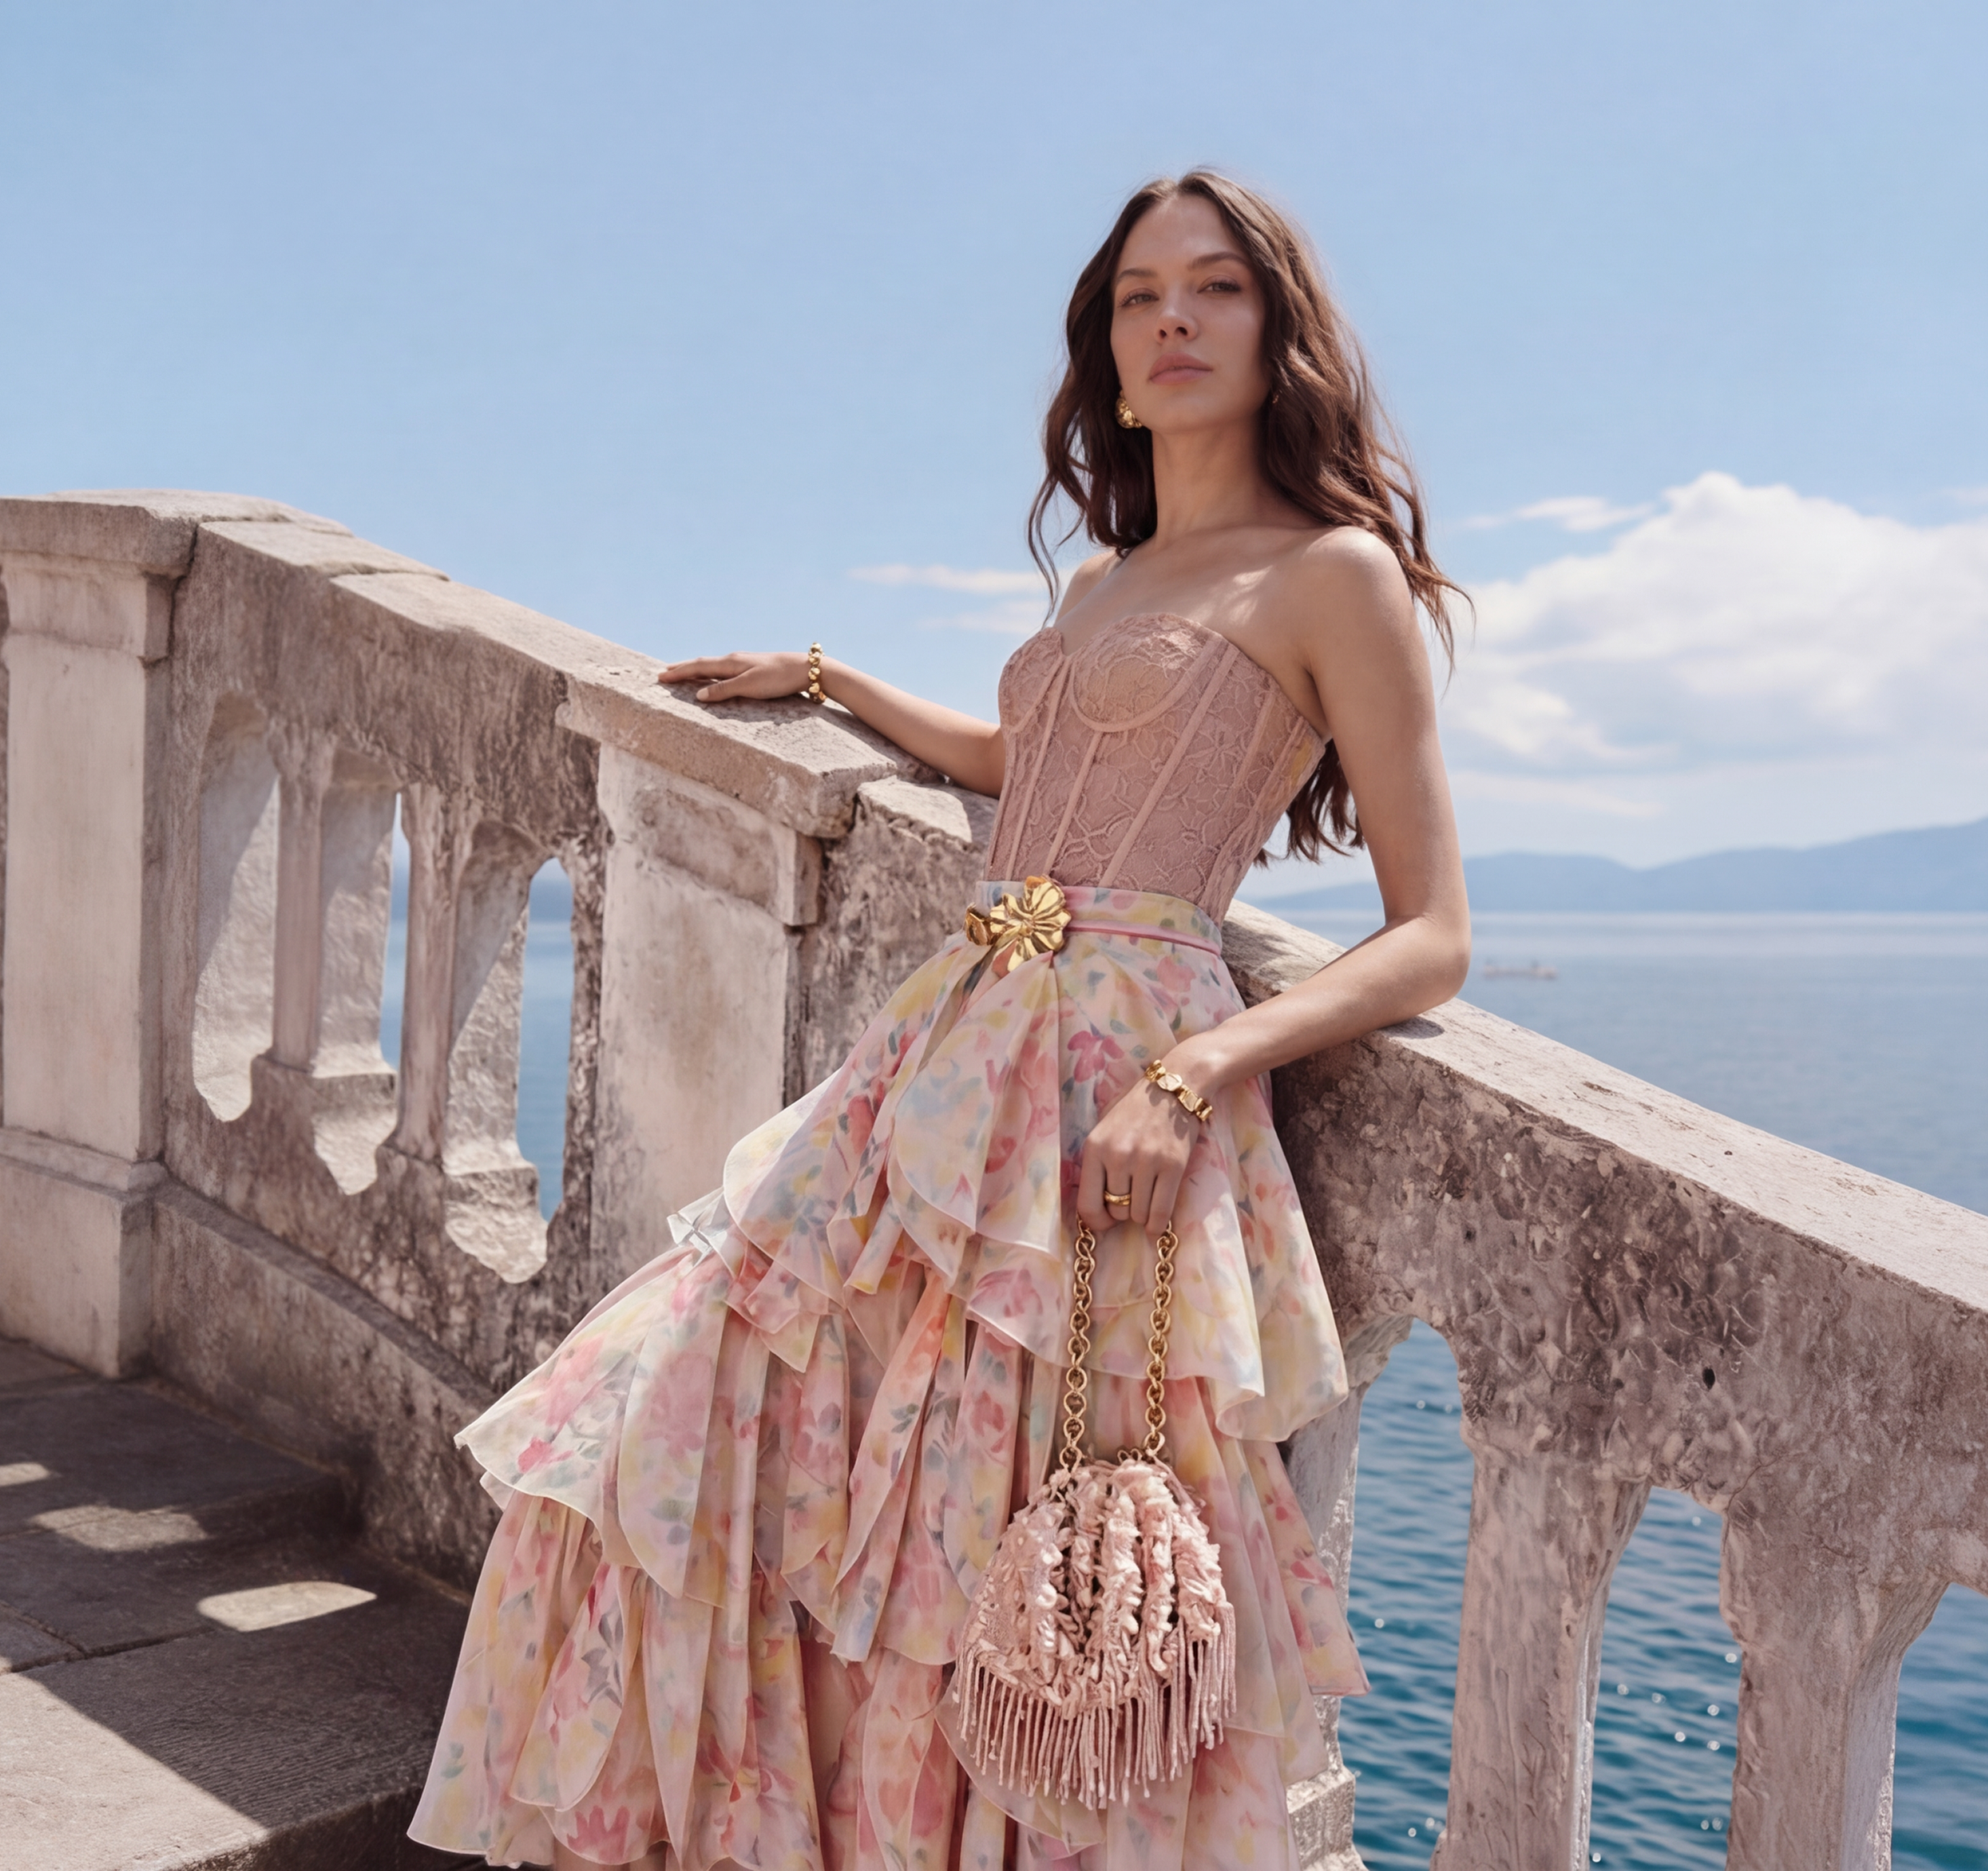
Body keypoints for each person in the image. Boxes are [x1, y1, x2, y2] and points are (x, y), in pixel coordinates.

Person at [412, 169, 1472, 1871]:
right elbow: (1024, 766)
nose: (1175, 320)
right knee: (700, 1420)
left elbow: (1432, 936)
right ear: (1106, 352)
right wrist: (835, 679)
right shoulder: (1104, 580)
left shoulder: (1330, 574)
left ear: (1276, 331)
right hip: (949, 1056)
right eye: (1138, 297)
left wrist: (1196, 1069)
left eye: (1214, 288)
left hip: (1112, 1087)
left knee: (1002, 1540)